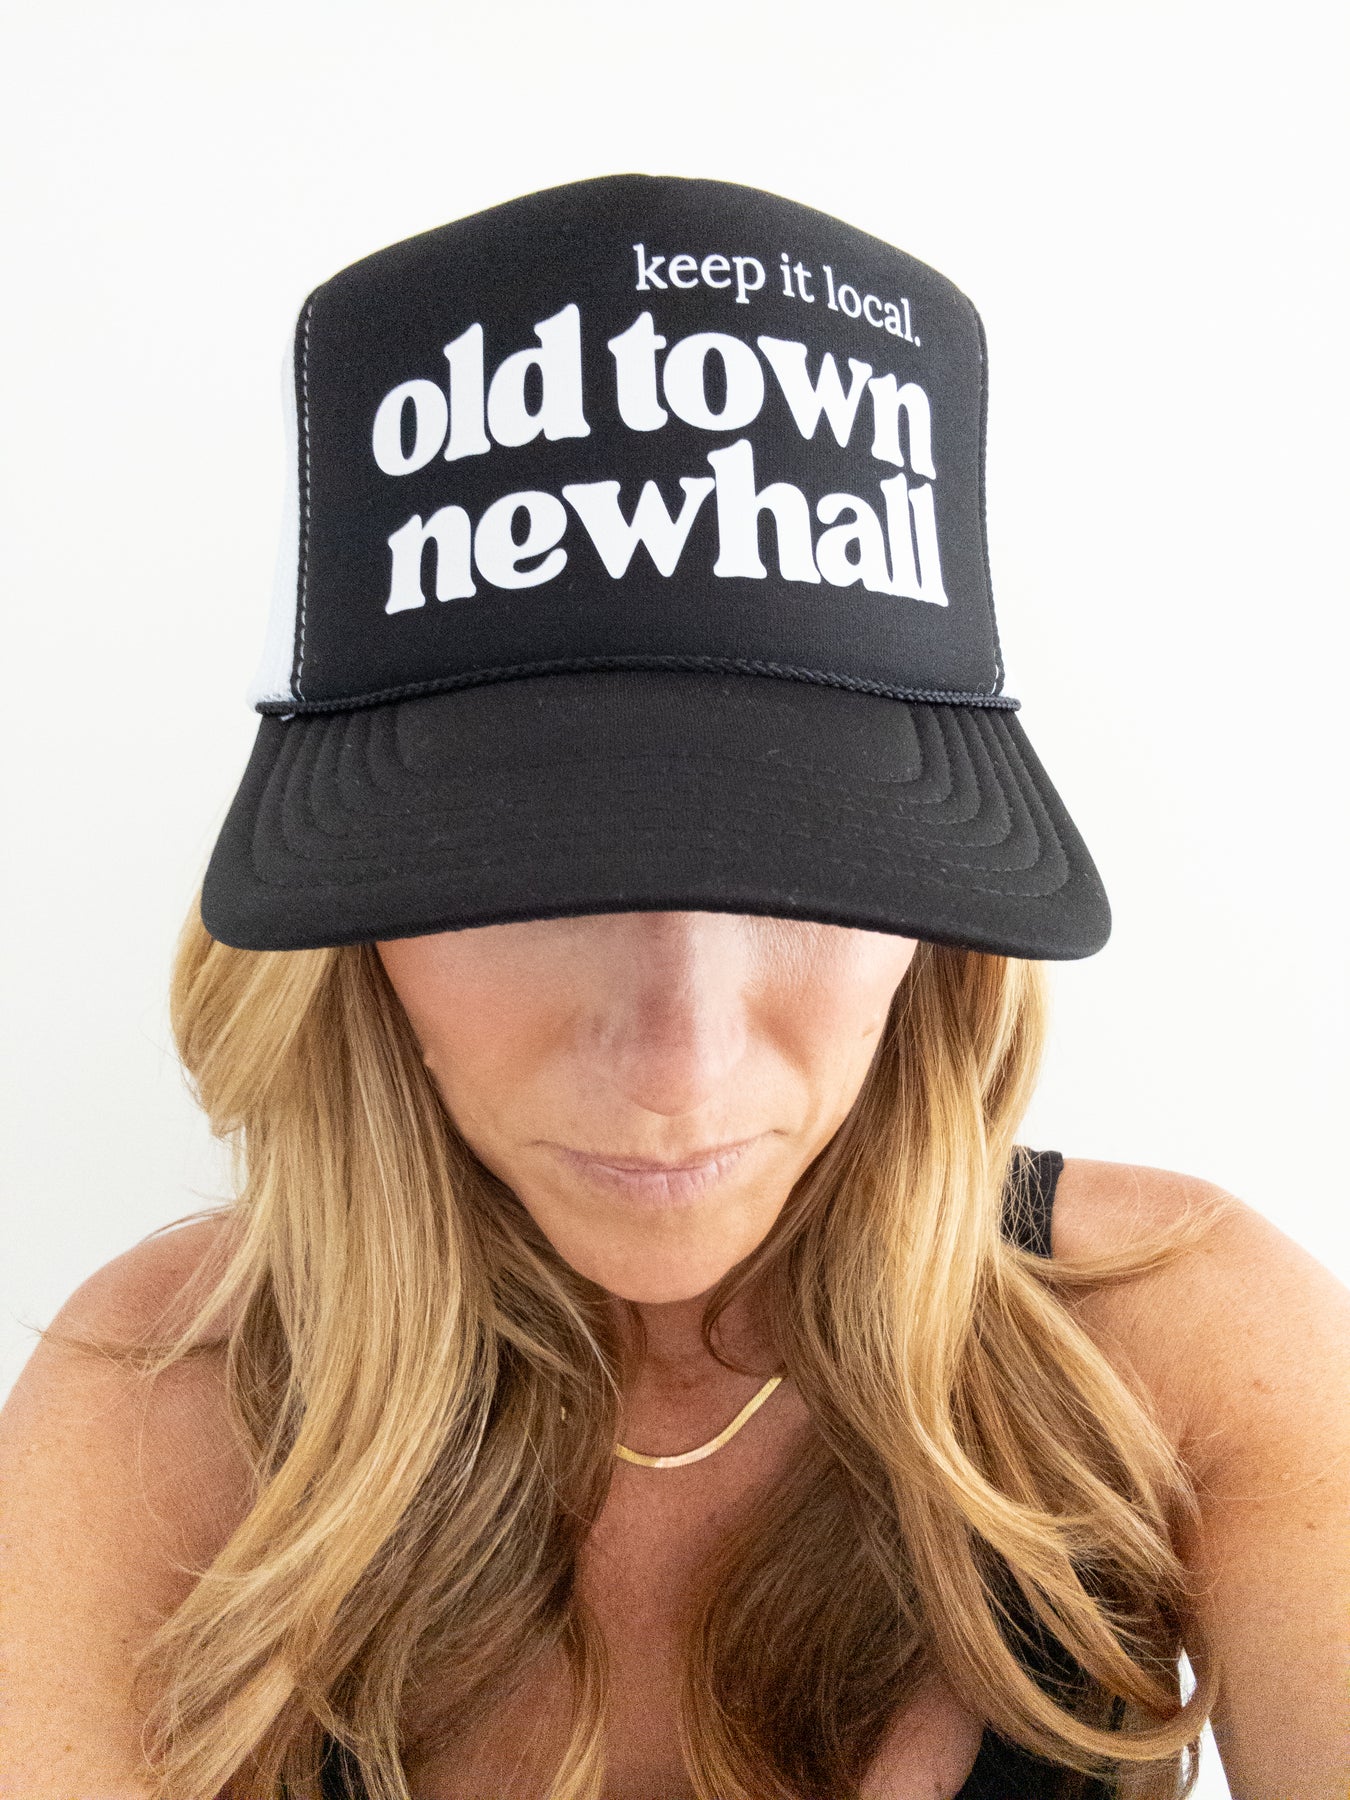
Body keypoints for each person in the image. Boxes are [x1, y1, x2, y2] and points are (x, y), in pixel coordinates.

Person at [1, 175, 1346, 1800]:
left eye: (806, 873)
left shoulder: (1178, 1346)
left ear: (936, 926)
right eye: (528, 875)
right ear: (359, 934)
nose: (676, 1068)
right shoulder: (156, 1405)